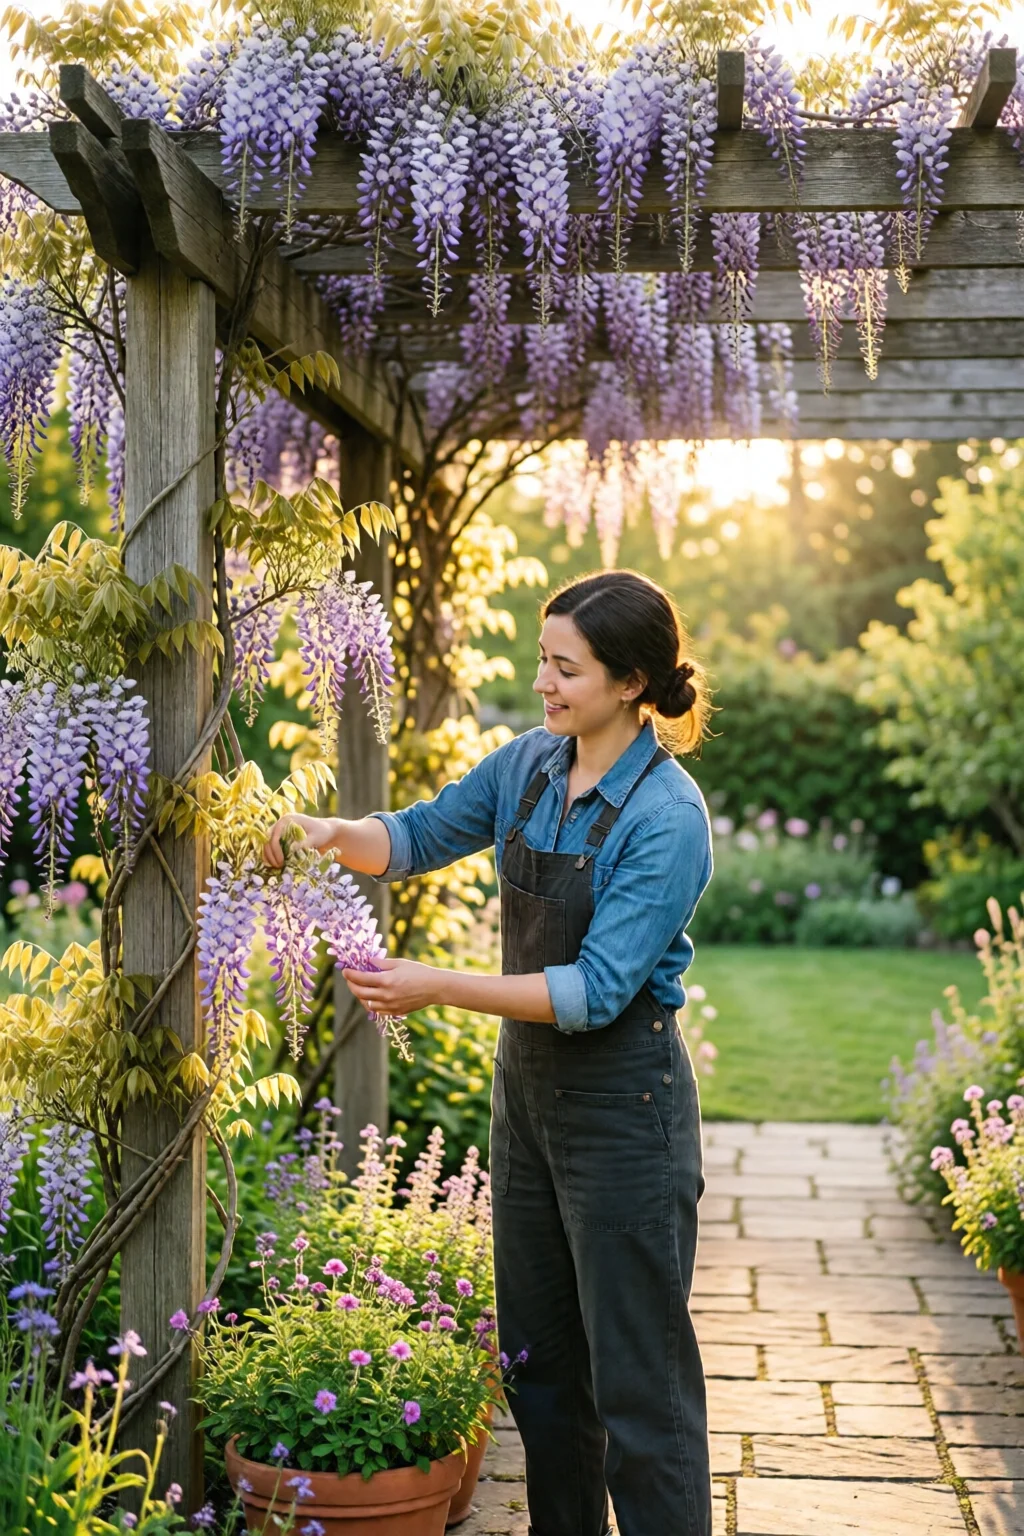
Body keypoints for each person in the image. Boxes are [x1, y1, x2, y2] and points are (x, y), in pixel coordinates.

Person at [264, 569, 715, 1536]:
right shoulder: (530, 767)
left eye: (566, 668)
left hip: (625, 1114)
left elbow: (594, 994)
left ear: (631, 682)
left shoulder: (668, 819)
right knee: (541, 1370)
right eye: (542, 661)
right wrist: (328, 833)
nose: (543, 684)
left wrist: (437, 985)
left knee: (641, 1388)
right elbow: (421, 835)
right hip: (532, 1108)